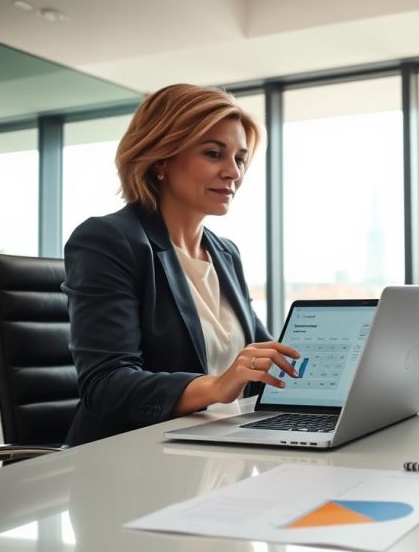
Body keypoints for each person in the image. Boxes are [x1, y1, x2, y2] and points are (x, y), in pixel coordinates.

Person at [63, 84, 298, 446]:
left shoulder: (225, 253)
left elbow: (262, 359)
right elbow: (107, 385)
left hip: (219, 448)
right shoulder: (108, 239)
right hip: (134, 462)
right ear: (161, 159)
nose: (233, 172)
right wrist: (218, 386)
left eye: (239, 158)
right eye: (213, 153)